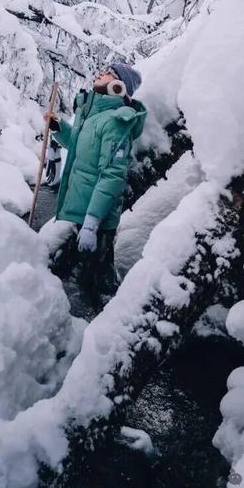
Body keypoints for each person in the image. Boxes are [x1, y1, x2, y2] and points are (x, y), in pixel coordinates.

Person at [44, 63, 147, 310]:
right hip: (84, 209)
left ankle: (108, 325)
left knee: (101, 284)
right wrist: (59, 129)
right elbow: (79, 145)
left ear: (118, 86)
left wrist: (92, 222)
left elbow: (112, 174)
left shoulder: (115, 120)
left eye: (108, 73)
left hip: (97, 218)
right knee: (83, 276)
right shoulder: (93, 116)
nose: (99, 73)